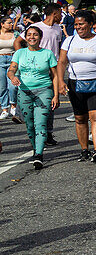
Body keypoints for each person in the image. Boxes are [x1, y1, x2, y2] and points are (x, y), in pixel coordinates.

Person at [58, 10, 96, 163]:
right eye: (76, 25)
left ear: (90, 24)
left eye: (81, 24)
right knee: (80, 118)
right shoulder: (69, 41)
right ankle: (84, 150)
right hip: (75, 83)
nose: (78, 27)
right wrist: (61, 81)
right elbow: (61, 62)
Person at [8, 25, 60, 167]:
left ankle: (39, 154)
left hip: (44, 91)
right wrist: (12, 77)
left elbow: (55, 76)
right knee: (30, 124)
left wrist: (56, 95)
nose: (32, 37)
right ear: (25, 37)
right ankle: (35, 148)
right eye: (29, 34)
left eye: (35, 35)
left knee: (40, 123)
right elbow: (11, 70)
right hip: (24, 92)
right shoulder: (20, 53)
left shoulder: (47, 53)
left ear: (40, 37)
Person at [32, 3, 64, 146]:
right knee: (35, 100)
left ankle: (48, 132)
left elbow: (58, 47)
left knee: (50, 101)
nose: (61, 16)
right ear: (54, 13)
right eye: (60, 13)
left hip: (53, 67)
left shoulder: (58, 29)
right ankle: (37, 132)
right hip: (38, 69)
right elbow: (18, 41)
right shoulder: (37, 27)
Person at [0, 16, 25, 121]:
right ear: (2, 24)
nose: (11, 24)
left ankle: (13, 106)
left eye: (11, 22)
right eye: (9, 23)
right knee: (2, 86)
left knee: (13, 86)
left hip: (12, 59)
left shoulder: (15, 34)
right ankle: (4, 109)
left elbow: (21, 45)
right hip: (0, 59)